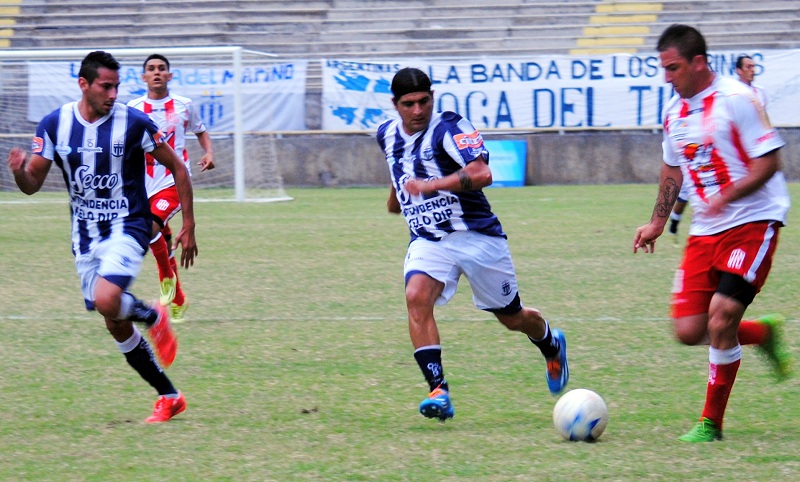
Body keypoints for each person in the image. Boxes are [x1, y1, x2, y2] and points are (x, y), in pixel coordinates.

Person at [6, 51, 198, 423]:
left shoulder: (134, 123)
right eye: (105, 87)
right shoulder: (54, 124)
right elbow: (31, 184)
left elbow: (178, 167)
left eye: (116, 87)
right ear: (84, 84)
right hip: (85, 236)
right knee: (114, 322)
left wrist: (188, 224)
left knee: (107, 299)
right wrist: (18, 172)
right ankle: (169, 396)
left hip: (129, 224)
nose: (113, 95)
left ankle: (153, 315)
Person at [376, 67, 569, 422]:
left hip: (477, 237)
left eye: (424, 101)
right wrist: (397, 199)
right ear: (395, 104)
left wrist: (431, 185)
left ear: (433, 97)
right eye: (408, 104)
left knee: (512, 319)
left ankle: (550, 343)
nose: (418, 110)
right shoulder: (386, 134)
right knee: (416, 296)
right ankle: (438, 391)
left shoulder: (450, 127)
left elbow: (482, 174)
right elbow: (399, 168)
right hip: (430, 239)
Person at [633, 25, 791, 442]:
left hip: (754, 220)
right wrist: (657, 222)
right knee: (688, 331)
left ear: (699, 62)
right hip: (706, 228)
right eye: (663, 68)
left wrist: (728, 195)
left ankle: (710, 423)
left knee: (721, 317)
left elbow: (769, 162)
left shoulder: (738, 99)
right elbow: (673, 167)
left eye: (673, 67)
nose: (667, 77)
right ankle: (762, 333)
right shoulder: (674, 113)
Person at [128, 54, 215, 323]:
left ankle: (166, 276)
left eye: (161, 68)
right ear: (143, 77)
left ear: (169, 75)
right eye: (151, 69)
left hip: (173, 181)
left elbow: (200, 130)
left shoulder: (184, 105)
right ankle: (177, 298)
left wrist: (209, 152)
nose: (156, 72)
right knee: (159, 238)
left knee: (149, 229)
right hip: (143, 183)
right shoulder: (132, 108)